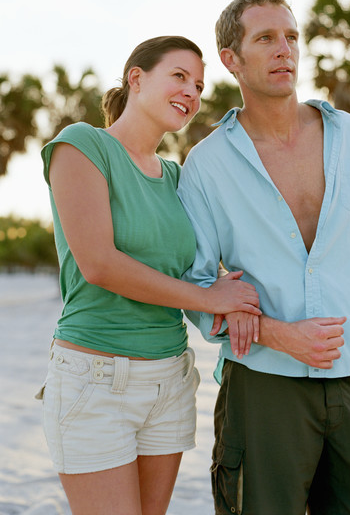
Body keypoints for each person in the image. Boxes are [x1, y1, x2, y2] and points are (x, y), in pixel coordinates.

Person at [177, 0, 350, 515]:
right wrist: (276, 333)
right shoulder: (206, 164)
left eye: (291, 37)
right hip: (263, 387)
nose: (284, 49)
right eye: (265, 38)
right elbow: (194, 287)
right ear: (232, 60)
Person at [36, 36, 261, 515]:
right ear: (136, 79)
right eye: (179, 76)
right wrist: (211, 300)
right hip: (95, 381)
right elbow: (99, 264)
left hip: (169, 379)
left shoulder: (177, 177)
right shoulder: (81, 145)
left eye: (199, 85)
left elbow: (197, 271)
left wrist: (233, 296)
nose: (192, 93)